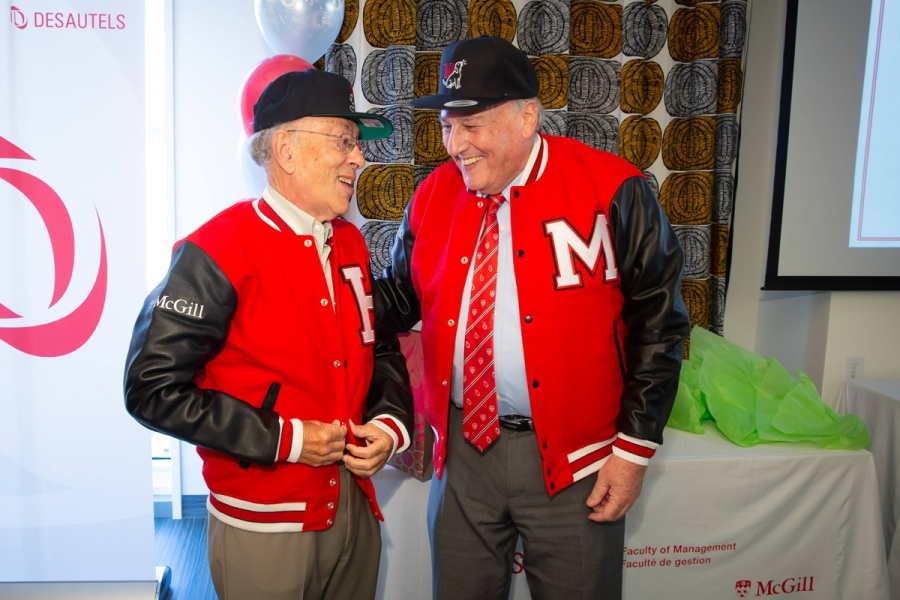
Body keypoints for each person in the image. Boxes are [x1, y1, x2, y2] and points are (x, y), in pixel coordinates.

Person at [375, 36, 691, 600]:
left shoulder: (614, 188)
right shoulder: (430, 197)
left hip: (579, 462)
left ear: (527, 118)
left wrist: (634, 450)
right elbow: (396, 305)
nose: (456, 145)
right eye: (448, 126)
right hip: (464, 457)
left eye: (471, 126)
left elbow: (660, 324)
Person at [124, 69, 413, 600]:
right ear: (286, 149)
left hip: (354, 508)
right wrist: (288, 439)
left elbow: (382, 344)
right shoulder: (216, 250)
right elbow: (152, 389)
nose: (359, 158)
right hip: (263, 524)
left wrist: (391, 425)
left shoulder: (349, 243)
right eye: (344, 141)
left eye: (357, 144)